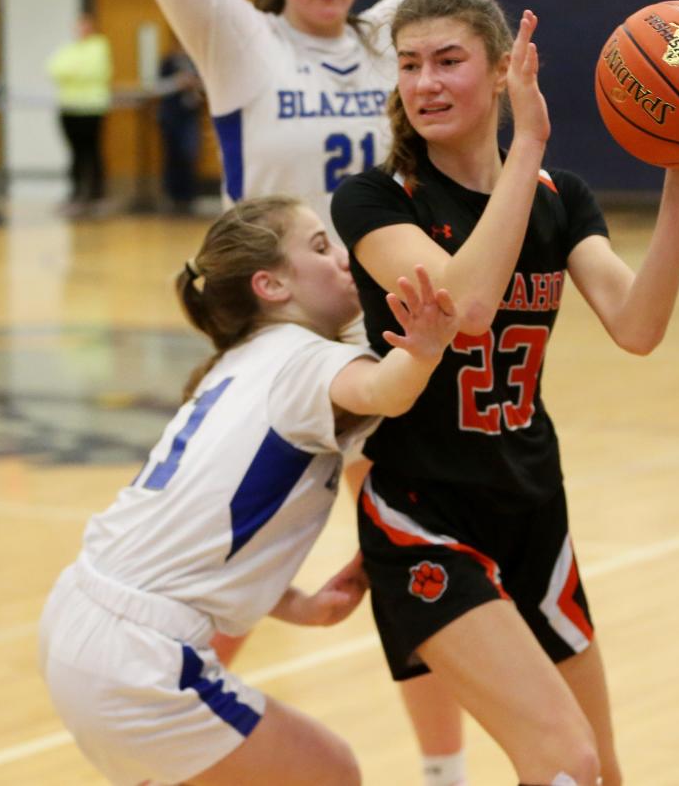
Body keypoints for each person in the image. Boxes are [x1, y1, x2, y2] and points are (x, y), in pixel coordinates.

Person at [79, 0, 586, 779]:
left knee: (411, 559)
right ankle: (171, 723)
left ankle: (444, 769)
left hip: (398, 334)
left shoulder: (393, 32)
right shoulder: (236, 34)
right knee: (237, 541)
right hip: (285, 344)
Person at [332, 0, 679, 786]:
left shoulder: (560, 200)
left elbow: (637, 326)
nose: (426, 82)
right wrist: (529, 145)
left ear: (503, 70)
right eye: (409, 65)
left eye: (448, 60)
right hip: (424, 517)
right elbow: (466, 307)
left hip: (534, 506)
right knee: (562, 760)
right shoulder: (374, 200)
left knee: (601, 772)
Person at [39, 195, 459, 786]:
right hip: (138, 660)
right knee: (330, 773)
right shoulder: (304, 361)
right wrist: (425, 345)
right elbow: (386, 392)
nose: (342, 259)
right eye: (319, 247)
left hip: (78, 616)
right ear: (270, 285)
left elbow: (200, 540)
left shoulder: (236, 361)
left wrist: (297, 605)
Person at [46, 12, 112, 216]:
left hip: (91, 108)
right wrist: (74, 71)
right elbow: (54, 69)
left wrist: (72, 71)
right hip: (69, 107)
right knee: (75, 153)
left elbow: (92, 71)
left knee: (91, 151)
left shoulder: (99, 47)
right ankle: (76, 193)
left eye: (84, 25)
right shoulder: (70, 48)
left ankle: (96, 193)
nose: (80, 30)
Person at [156, 35, 204, 214]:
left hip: (189, 115)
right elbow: (158, 86)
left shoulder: (195, 62)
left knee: (189, 155)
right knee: (172, 156)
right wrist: (177, 83)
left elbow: (204, 87)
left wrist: (195, 85)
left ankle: (188, 196)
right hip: (171, 116)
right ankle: (172, 195)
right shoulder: (168, 62)